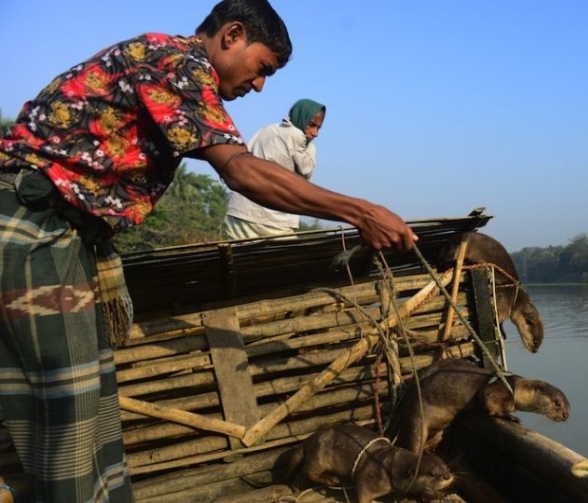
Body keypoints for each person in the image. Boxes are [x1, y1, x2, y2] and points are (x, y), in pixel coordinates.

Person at [0, 1, 417, 501]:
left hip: (67, 239)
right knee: (64, 412)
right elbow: (242, 171)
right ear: (232, 35)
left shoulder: (179, 69)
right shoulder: (172, 61)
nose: (260, 86)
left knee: (94, 404)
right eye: (262, 69)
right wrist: (362, 212)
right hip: (31, 226)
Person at [224, 98, 326, 239]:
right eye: (311, 125)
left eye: (318, 128)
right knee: (287, 260)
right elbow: (306, 171)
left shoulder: (267, 130)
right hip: (274, 219)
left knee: (239, 259)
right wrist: (310, 150)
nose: (315, 133)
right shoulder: (296, 136)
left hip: (240, 212)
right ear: (301, 117)